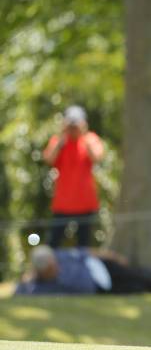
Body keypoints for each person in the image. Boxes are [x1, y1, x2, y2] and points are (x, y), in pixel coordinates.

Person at [14, 245, 151, 297]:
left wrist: (112, 256)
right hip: (104, 287)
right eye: (50, 267)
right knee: (140, 287)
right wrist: (29, 277)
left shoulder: (61, 255)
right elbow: (21, 291)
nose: (55, 267)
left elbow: (88, 252)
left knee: (144, 277)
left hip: (103, 268)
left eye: (52, 262)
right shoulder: (44, 283)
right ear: (42, 270)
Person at [43, 105, 104, 249]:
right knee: (53, 244)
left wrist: (83, 135)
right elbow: (48, 159)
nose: (73, 128)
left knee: (84, 246)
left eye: (75, 124)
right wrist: (61, 140)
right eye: (70, 124)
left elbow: (97, 157)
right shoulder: (59, 141)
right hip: (62, 204)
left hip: (85, 204)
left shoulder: (90, 139)